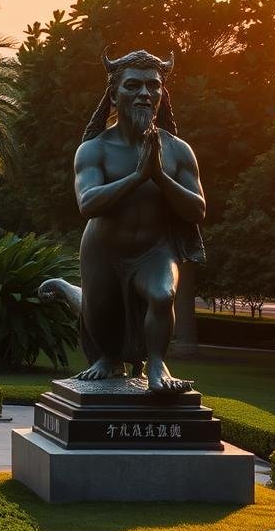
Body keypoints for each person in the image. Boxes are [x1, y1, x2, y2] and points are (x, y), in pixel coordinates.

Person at [61, 50, 206, 393]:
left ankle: (157, 365)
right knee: (101, 315)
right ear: (114, 95)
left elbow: (197, 210)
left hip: (155, 250)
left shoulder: (178, 150)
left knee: (161, 293)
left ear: (162, 95)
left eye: (154, 86)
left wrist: (159, 176)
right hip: (103, 251)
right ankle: (108, 358)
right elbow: (88, 202)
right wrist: (139, 177)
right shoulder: (94, 149)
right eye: (134, 85)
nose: (145, 93)